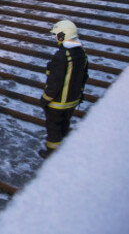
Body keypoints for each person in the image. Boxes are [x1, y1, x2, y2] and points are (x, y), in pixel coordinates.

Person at [38, 20, 89, 158]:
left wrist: (45, 99)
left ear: (62, 36)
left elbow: (55, 82)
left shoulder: (62, 56)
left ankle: (51, 154)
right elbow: (84, 76)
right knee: (64, 126)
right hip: (72, 101)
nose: (56, 38)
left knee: (53, 128)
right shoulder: (81, 53)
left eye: (56, 35)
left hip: (58, 103)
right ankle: (63, 150)